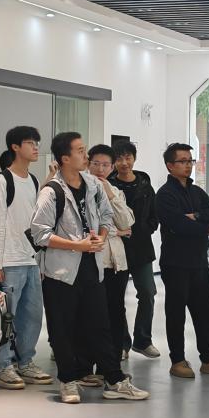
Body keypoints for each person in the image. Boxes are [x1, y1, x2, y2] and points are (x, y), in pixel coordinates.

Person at [31, 133, 149, 404]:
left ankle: (114, 380)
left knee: (100, 324)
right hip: (60, 272)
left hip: (92, 267)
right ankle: (68, 381)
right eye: (81, 151)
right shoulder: (52, 191)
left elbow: (107, 216)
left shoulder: (93, 185)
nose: (86, 156)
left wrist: (101, 237)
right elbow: (39, 234)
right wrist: (78, 245)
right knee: (63, 328)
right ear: (65, 158)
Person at [156, 142, 209, 379]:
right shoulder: (165, 195)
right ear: (169, 165)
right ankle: (178, 360)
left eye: (190, 160)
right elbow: (177, 225)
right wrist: (205, 228)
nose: (188, 165)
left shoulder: (196, 192)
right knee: (176, 314)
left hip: (199, 262)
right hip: (176, 263)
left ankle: (208, 359)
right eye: (182, 161)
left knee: (206, 312)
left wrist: (196, 216)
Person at [0, 126, 54, 390]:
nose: (36, 147)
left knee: (32, 316)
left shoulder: (34, 180)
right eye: (30, 143)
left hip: (30, 259)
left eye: (37, 142)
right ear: (15, 147)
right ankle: (4, 365)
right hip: (9, 261)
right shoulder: (2, 181)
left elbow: (34, 219)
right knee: (6, 317)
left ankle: (25, 361)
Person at [107, 141, 160, 359]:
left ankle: (143, 340)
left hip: (141, 248)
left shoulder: (145, 185)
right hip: (116, 248)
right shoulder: (108, 185)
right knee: (116, 298)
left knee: (147, 292)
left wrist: (142, 230)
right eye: (119, 159)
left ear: (134, 159)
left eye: (128, 157)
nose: (124, 163)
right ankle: (121, 343)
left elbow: (154, 217)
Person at [87, 145, 136, 368]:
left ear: (112, 167)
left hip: (116, 262)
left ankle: (112, 364)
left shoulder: (115, 191)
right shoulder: (80, 188)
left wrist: (110, 194)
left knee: (116, 312)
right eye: (96, 164)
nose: (100, 169)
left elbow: (127, 222)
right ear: (88, 164)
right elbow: (89, 227)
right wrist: (117, 232)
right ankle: (89, 362)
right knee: (93, 313)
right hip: (92, 259)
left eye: (105, 165)